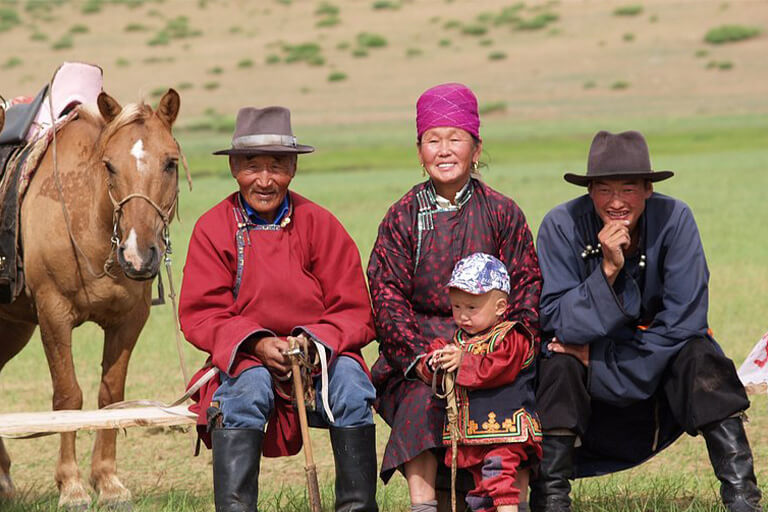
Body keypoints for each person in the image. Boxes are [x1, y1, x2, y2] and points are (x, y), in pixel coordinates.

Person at [532, 130, 763, 512]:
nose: (617, 202)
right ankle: (551, 499)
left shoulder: (676, 219)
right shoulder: (561, 225)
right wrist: (606, 270)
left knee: (703, 358)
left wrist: (605, 361)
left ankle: (742, 498)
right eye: (604, 190)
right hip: (588, 381)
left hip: (656, 369)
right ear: (589, 192)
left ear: (648, 189)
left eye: (629, 188)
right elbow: (556, 323)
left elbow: (685, 322)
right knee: (557, 364)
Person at [179, 106, 378, 512]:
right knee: (243, 394)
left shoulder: (320, 224)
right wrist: (256, 343)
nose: (265, 180)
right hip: (247, 356)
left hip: (318, 357)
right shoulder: (213, 228)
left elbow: (354, 310)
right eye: (253, 166)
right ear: (235, 167)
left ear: (293, 168)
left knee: (354, 388)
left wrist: (314, 340)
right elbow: (202, 314)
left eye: (278, 166)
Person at [367, 83, 542, 512]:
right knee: (417, 400)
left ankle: (506, 504)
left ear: (476, 148)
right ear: (419, 150)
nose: (444, 151)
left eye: (455, 139)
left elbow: (527, 287)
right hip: (421, 353)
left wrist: (499, 352)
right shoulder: (402, 215)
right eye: (433, 140)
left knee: (508, 402)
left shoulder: (503, 212)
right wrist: (422, 360)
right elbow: (386, 294)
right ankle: (423, 505)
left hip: (493, 350)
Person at [419, 252, 542, 512]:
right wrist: (435, 361)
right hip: (473, 434)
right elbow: (434, 362)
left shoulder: (511, 336)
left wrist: (463, 362)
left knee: (499, 479)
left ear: (499, 307)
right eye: (456, 307)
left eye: (471, 308)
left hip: (506, 431)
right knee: (481, 493)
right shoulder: (459, 341)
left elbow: (499, 368)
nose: (463, 315)